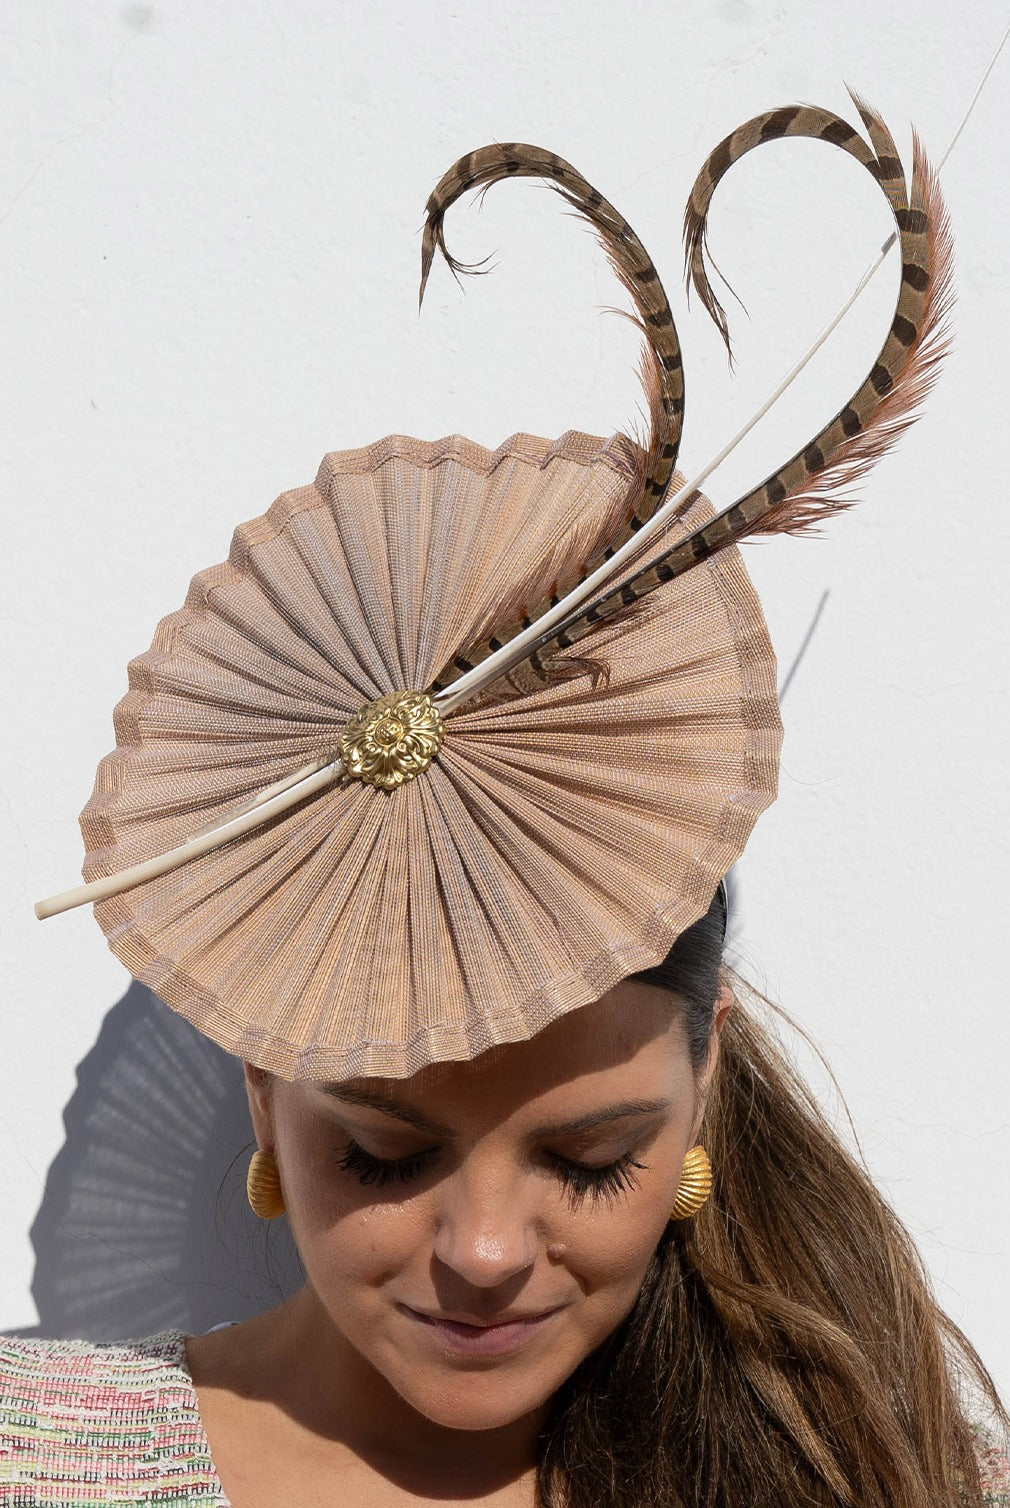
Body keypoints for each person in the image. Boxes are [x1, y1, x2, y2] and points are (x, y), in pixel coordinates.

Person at [3, 101, 1008, 1507]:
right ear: (262, 1088)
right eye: (380, 1154)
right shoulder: (33, 1463)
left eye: (592, 1162)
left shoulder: (898, 1479)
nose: (482, 1253)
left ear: (704, 1083)